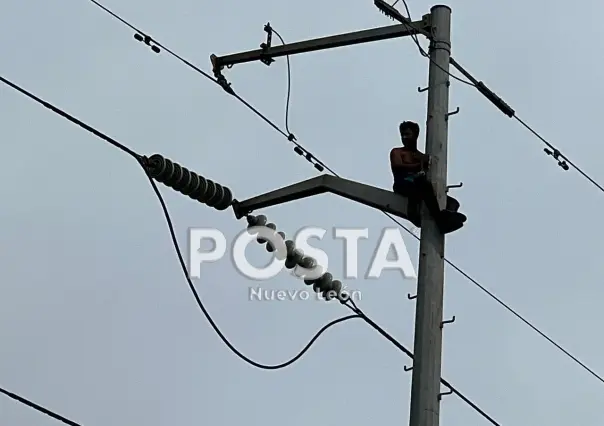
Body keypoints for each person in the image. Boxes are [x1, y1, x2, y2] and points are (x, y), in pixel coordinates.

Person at [390, 121, 466, 234]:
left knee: (453, 203)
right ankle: (440, 219)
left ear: (415, 135)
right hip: (403, 184)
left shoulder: (420, 156)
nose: (404, 138)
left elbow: (426, 172)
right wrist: (421, 164)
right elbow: (398, 166)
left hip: (418, 186)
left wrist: (425, 164)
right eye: (402, 135)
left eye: (407, 134)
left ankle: (448, 216)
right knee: (422, 183)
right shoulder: (397, 152)